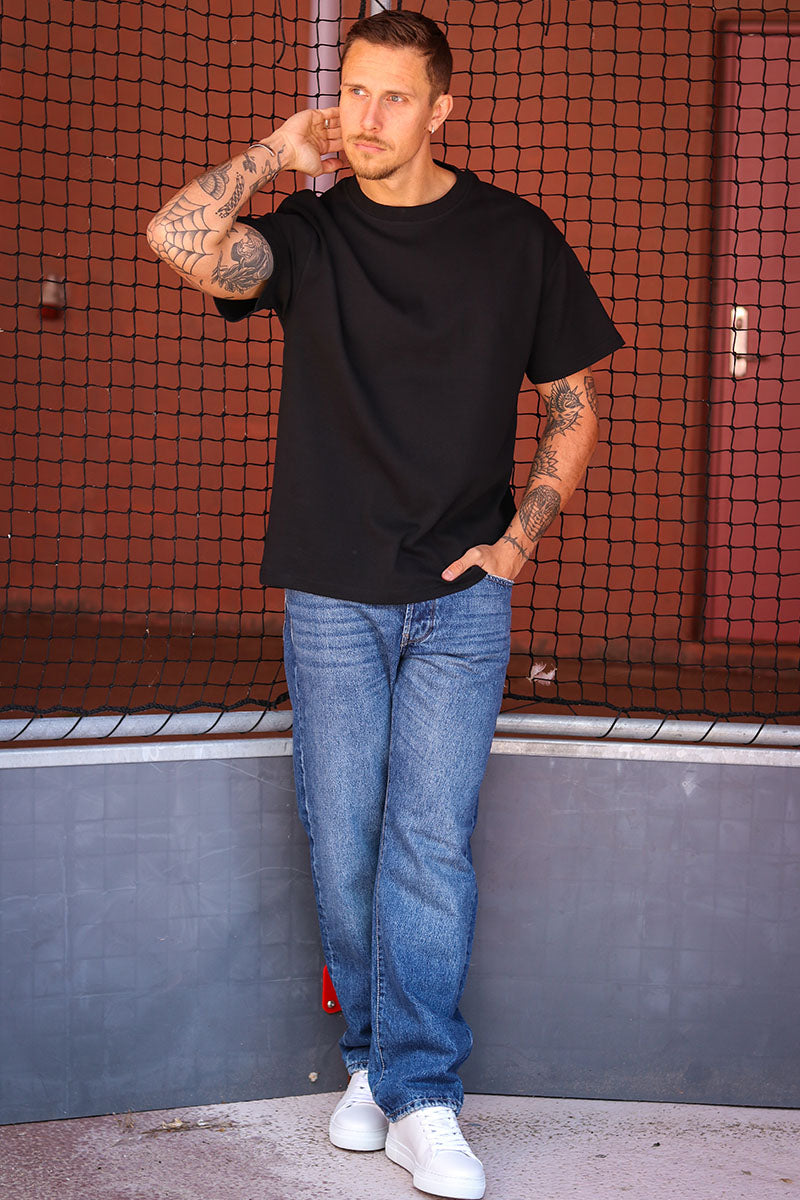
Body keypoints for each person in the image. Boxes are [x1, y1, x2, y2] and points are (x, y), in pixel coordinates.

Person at [147, 10, 623, 1198]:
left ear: (441, 109)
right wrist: (277, 150)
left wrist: (518, 540)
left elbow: (572, 408)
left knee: (426, 844)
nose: (364, 117)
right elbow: (176, 235)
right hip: (330, 592)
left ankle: (421, 1094)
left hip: (460, 600)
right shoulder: (310, 235)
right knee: (344, 836)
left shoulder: (513, 237)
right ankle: (370, 1064)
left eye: (392, 96)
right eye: (350, 91)